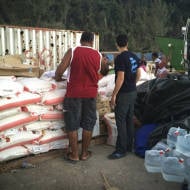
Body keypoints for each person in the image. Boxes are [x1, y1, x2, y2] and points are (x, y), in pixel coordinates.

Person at [55, 31, 102, 162]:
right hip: (91, 94)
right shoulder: (98, 55)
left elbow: (60, 69)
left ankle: (74, 155)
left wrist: (58, 78)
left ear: (81, 40)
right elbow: (103, 69)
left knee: (72, 123)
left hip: (74, 93)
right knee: (88, 123)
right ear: (92, 42)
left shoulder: (73, 51)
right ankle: (84, 153)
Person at [108, 34, 140, 159]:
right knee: (129, 120)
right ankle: (128, 146)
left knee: (120, 121)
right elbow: (138, 73)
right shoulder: (134, 56)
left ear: (117, 44)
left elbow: (120, 78)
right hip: (132, 91)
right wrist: (133, 84)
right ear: (127, 43)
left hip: (124, 94)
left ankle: (121, 150)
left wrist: (114, 95)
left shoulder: (120, 58)